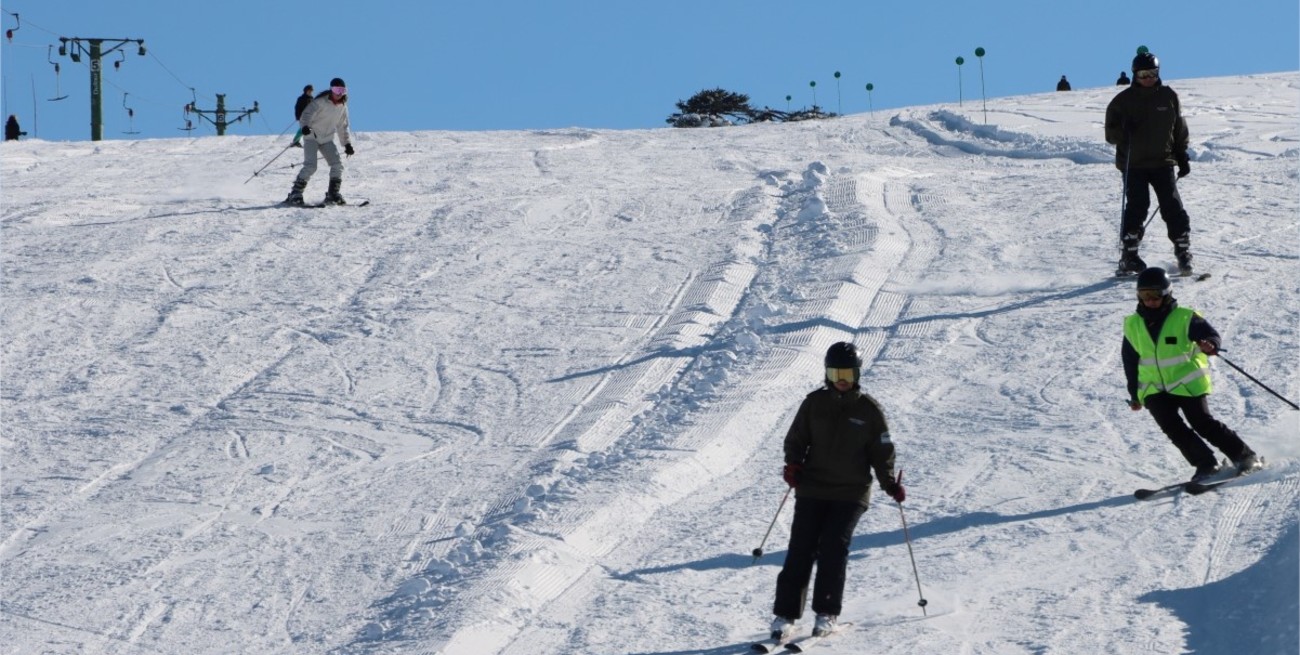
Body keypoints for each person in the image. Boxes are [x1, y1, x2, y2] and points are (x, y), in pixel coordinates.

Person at [768, 342, 904, 642]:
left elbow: (882, 452)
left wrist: (889, 483)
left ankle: (827, 613)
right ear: (827, 373)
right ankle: (786, 615)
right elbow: (796, 439)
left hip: (850, 492)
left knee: (833, 547)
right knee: (801, 548)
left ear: (857, 374)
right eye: (835, 373)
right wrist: (793, 464)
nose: (842, 380)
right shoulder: (814, 403)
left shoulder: (869, 411)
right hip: (813, 487)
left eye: (848, 374)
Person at [1123, 267, 1260, 482]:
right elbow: (1130, 361)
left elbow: (1210, 335)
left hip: (1186, 383)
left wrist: (1210, 344)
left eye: (1155, 295)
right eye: (1144, 295)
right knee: (1172, 428)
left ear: (1166, 294)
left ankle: (1246, 457)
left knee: (1202, 423)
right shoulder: (1133, 324)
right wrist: (1134, 394)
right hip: (1153, 388)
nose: (1149, 301)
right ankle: (1206, 464)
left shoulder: (1185, 317)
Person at [1105, 52, 1196, 277]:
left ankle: (1183, 251)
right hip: (1134, 164)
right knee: (1138, 205)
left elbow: (1179, 128)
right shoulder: (1123, 101)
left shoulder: (1168, 96)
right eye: (1143, 74)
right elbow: (1110, 135)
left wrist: (1181, 155)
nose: (1148, 78)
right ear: (1135, 75)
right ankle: (1129, 255)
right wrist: (1123, 129)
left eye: (1152, 74)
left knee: (1172, 205)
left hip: (1162, 161)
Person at [284, 77, 355, 206]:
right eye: (336, 90)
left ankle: (333, 194)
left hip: (327, 139)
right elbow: (306, 115)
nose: (339, 93)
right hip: (312, 137)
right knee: (311, 166)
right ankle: (295, 193)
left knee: (337, 165)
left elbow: (343, 126)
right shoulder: (320, 102)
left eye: (342, 90)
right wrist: (305, 127)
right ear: (331, 89)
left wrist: (347, 144)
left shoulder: (342, 107)